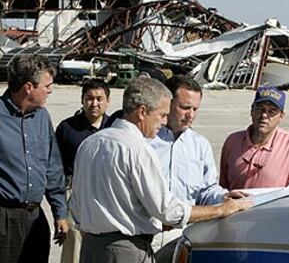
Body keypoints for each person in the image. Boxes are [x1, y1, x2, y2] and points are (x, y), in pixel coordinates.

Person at [70, 77, 252, 263]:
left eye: (194, 109)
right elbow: (167, 211)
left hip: (93, 248)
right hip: (128, 248)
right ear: (142, 112)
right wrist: (221, 210)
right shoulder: (138, 148)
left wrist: (222, 198)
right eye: (162, 114)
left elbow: (75, 205)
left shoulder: (90, 143)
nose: (164, 121)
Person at [148, 75, 245, 261]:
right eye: (185, 107)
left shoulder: (200, 145)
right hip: (146, 235)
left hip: (182, 236)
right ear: (167, 102)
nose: (190, 115)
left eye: (195, 109)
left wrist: (223, 197)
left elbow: (206, 190)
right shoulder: (145, 141)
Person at [0, 55, 69, 263]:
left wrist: (60, 212)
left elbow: (52, 168)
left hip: (35, 219)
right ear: (29, 87)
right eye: (47, 85)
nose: (50, 90)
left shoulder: (42, 117)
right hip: (3, 221)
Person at [220, 85, 289, 190]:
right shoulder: (233, 141)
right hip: (235, 205)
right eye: (260, 109)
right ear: (251, 110)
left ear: (281, 116)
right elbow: (222, 187)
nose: (264, 115)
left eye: (271, 111)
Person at [56, 78, 111, 263]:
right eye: (89, 98)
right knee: (74, 242)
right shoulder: (67, 128)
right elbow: (57, 169)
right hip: (76, 193)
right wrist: (60, 211)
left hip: (108, 193)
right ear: (82, 100)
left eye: (99, 98)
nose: (94, 103)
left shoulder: (114, 128)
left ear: (107, 101)